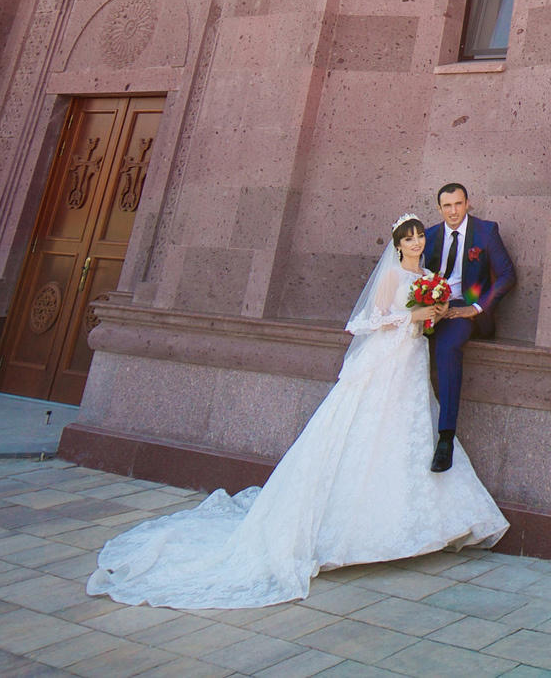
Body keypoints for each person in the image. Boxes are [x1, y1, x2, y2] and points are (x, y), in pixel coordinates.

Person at [84, 215, 507, 608]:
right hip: (384, 362)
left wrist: (430, 315)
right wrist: (413, 313)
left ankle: (421, 528)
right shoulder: (394, 275)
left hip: (411, 362)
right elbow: (366, 321)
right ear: (398, 244)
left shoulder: (428, 277)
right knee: (364, 430)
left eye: (418, 236)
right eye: (408, 237)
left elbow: (425, 321)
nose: (415, 242)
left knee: (408, 431)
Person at [420, 182, 514, 472]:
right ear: (439, 209)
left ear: (468, 203)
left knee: (447, 348)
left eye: (458, 204)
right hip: (433, 308)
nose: (453, 211)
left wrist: (473, 309)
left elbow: (507, 275)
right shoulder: (431, 236)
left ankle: (445, 439)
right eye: (447, 206)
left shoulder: (486, 232)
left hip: (465, 310)